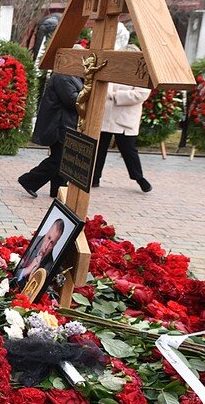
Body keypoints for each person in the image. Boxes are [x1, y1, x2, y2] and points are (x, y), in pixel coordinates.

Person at [18, 69, 83, 198]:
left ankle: (58, 190)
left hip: (65, 123)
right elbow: (71, 100)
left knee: (62, 159)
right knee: (60, 160)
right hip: (59, 125)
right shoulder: (62, 76)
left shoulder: (72, 75)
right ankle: (29, 180)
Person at [93, 55, 152, 192]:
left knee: (129, 150)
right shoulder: (114, 68)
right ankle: (94, 177)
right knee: (99, 148)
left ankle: (139, 178)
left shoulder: (142, 73)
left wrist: (116, 95)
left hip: (125, 117)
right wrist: (111, 94)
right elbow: (104, 84)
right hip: (107, 114)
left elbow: (141, 94)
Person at [16, 218, 65, 286]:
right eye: (48, 238)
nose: (46, 246)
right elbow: (12, 272)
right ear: (46, 233)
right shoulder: (32, 243)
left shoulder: (50, 266)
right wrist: (26, 270)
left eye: (52, 243)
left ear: (55, 244)